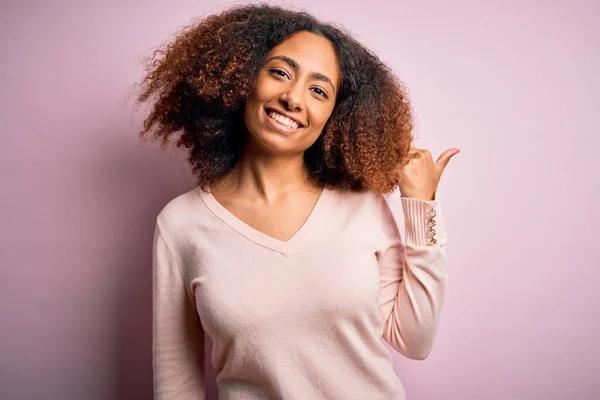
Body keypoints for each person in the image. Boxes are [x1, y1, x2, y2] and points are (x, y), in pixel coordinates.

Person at [135, 3, 460, 399]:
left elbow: (415, 340)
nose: (293, 98)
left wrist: (422, 207)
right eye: (280, 72)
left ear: (334, 116)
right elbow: (176, 379)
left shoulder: (361, 207)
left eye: (319, 90)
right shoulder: (181, 224)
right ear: (241, 77)